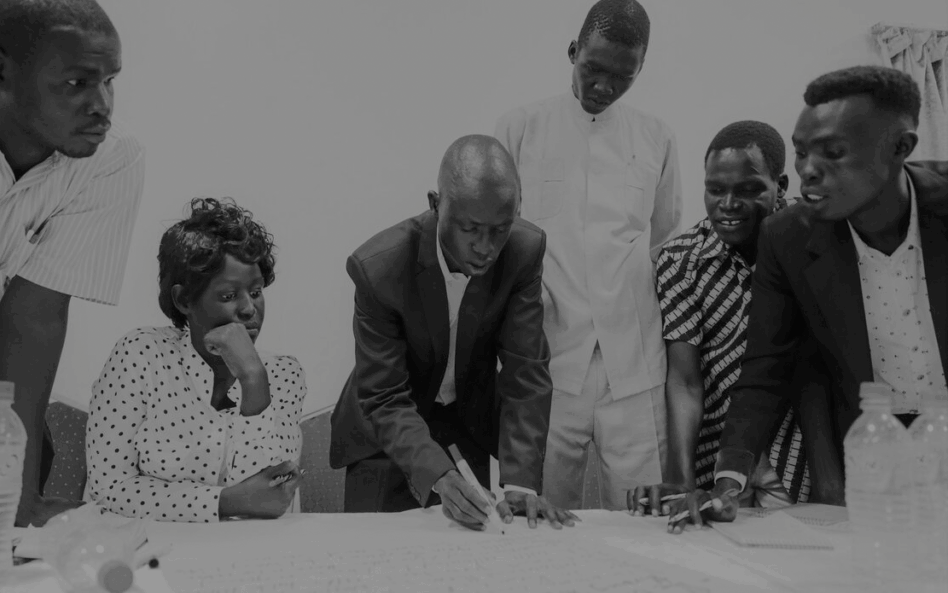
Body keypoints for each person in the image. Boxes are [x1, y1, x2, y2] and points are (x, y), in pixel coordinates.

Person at [663, 66, 948, 533]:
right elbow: (764, 368)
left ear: (900, 147)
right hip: (873, 448)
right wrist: (728, 481)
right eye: (801, 152)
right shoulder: (789, 236)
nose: (809, 170)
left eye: (832, 152)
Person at [0, 0, 145, 526]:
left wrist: (18, 503)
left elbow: (35, 315)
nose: (102, 106)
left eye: (110, 81)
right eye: (76, 83)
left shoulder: (111, 160)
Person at [330, 135, 577, 531]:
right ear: (435, 204)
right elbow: (384, 395)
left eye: (500, 229)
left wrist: (520, 483)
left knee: (468, 551)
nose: (486, 247)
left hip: (463, 430)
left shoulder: (523, 251)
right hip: (384, 437)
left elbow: (525, 371)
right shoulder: (378, 268)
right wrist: (438, 475)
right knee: (379, 555)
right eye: (470, 229)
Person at [494, 0, 682, 510]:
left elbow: (664, 236)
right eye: (593, 68)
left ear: (641, 69)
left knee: (645, 523)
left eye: (623, 76)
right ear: (573, 51)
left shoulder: (657, 137)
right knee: (539, 523)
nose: (604, 86)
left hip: (636, 368)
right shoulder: (520, 128)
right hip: (546, 366)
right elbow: (499, 243)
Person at [626, 121, 827, 515]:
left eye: (748, 189)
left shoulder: (811, 240)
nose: (728, 204)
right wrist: (681, 484)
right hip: (719, 463)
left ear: (780, 186)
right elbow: (685, 382)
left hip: (802, 460)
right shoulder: (681, 261)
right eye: (715, 190)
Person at [86, 198, 306, 522]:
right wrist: (225, 502)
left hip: (251, 547)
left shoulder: (282, 373)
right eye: (229, 296)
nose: (249, 309)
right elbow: (109, 488)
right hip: (149, 546)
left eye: (256, 292)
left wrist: (253, 380)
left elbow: (271, 496)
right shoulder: (141, 356)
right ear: (184, 299)